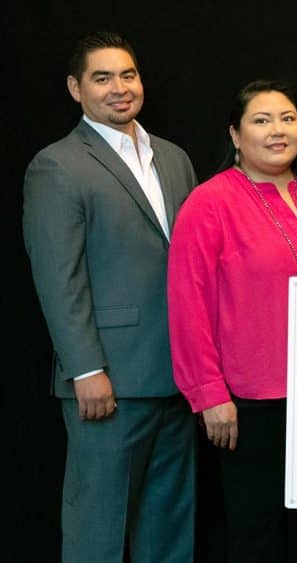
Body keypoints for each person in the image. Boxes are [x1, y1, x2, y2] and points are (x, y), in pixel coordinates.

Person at [22, 31, 197, 563]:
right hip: (108, 381)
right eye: (102, 78)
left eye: (128, 75)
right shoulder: (57, 165)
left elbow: (190, 265)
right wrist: (84, 370)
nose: (120, 88)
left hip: (179, 376)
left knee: (169, 529)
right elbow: (58, 277)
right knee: (97, 530)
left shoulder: (174, 158)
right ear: (76, 88)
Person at [167, 79, 297, 562]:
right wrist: (209, 393)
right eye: (262, 120)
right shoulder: (210, 202)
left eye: (287, 119)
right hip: (250, 398)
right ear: (235, 134)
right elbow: (188, 302)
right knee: (258, 534)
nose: (277, 131)